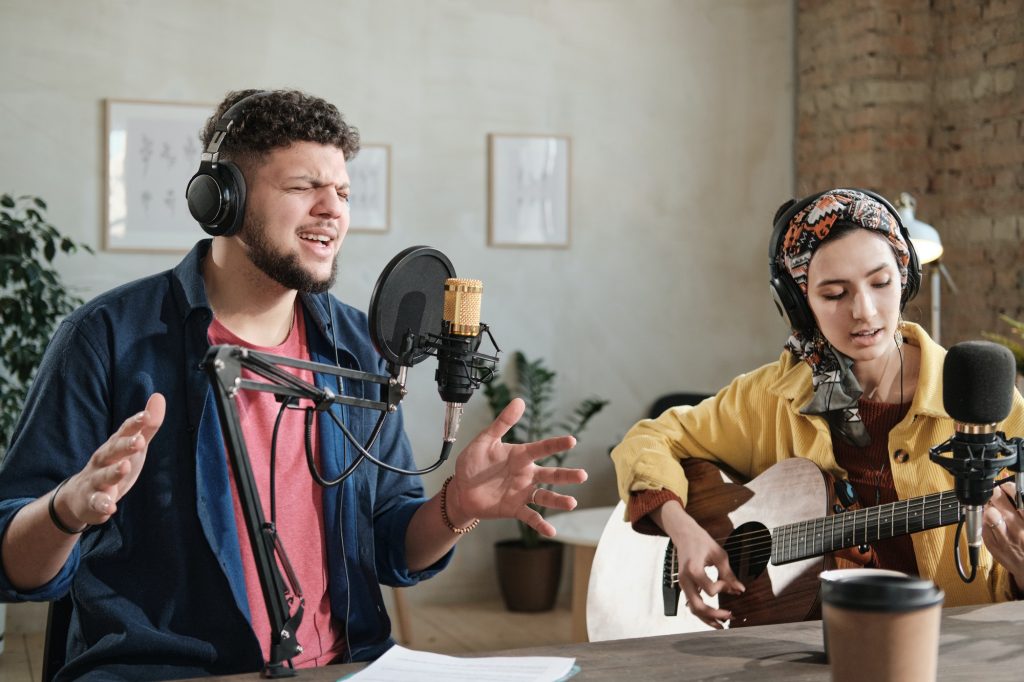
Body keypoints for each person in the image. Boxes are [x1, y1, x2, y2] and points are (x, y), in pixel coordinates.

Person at [0, 88, 587, 680]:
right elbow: (12, 563)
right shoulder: (107, 339)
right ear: (222, 201)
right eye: (304, 187)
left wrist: (454, 509)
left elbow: (391, 545)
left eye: (344, 193)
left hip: (344, 667)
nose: (333, 209)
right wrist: (65, 512)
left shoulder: (360, 347)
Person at [611, 187, 1024, 629]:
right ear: (798, 303)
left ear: (906, 276)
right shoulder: (768, 396)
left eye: (881, 283)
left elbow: (1006, 590)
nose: (864, 311)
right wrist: (682, 527)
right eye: (833, 294)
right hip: (793, 653)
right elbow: (647, 440)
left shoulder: (979, 397)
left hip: (945, 650)